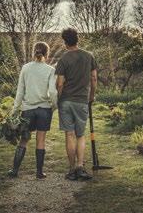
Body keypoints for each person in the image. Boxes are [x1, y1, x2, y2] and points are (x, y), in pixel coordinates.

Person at [8, 42, 58, 179]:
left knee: (23, 140)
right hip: (44, 110)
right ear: (47, 54)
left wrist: (15, 110)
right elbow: (53, 93)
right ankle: (39, 172)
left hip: (28, 110)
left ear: (33, 52)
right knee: (40, 140)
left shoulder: (25, 68)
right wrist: (53, 106)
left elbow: (20, 91)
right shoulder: (50, 70)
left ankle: (14, 171)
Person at [56, 28, 97, 180]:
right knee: (80, 135)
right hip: (82, 101)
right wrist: (91, 97)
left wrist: (58, 100)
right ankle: (80, 166)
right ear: (77, 39)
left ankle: (72, 170)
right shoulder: (89, 56)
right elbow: (93, 78)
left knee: (69, 134)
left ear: (65, 42)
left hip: (66, 101)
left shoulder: (64, 59)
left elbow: (60, 83)